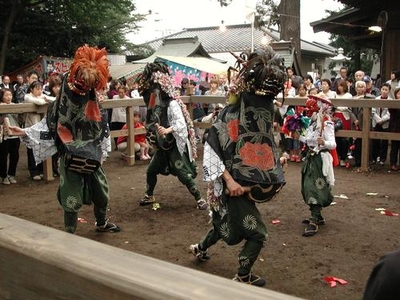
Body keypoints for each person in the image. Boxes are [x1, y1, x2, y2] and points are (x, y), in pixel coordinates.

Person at [189, 47, 287, 287]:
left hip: (247, 184)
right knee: (258, 233)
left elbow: (263, 144)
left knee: (226, 222)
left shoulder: (263, 112)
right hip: (232, 184)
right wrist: (230, 181)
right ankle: (243, 275)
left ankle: (200, 248)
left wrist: (274, 164)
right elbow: (211, 149)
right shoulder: (231, 114)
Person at [10, 45, 121, 234]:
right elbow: (48, 126)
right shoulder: (59, 104)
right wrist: (23, 132)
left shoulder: (94, 102)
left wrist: (102, 151)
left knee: (101, 194)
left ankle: (101, 223)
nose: (83, 88)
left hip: (93, 156)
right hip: (70, 157)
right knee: (71, 198)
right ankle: (70, 233)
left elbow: (102, 128)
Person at [137, 61, 207, 210]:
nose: (154, 91)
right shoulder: (154, 104)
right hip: (162, 146)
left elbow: (181, 124)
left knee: (184, 175)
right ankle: (149, 194)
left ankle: (199, 198)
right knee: (151, 170)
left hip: (173, 144)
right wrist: (152, 130)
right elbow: (150, 121)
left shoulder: (172, 104)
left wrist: (167, 130)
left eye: (156, 88)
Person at [299, 94, 336, 237]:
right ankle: (318, 216)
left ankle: (314, 220)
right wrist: (298, 135)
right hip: (310, 158)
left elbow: (333, 144)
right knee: (307, 187)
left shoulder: (327, 123)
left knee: (315, 187)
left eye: (311, 107)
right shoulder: (312, 123)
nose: (308, 110)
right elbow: (308, 140)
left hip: (320, 159)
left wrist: (324, 143)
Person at [24, 81, 55, 180]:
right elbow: (39, 102)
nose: (39, 91)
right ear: (32, 89)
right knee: (31, 149)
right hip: (31, 125)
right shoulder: (27, 96)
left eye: (41, 89)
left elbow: (54, 99)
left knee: (42, 146)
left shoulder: (42, 96)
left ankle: (42, 170)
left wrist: (45, 97)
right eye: (37, 89)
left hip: (41, 127)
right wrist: (45, 99)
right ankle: (34, 172)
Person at [0, 88, 22, 184]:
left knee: (15, 155)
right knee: (3, 156)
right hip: (4, 135)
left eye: (10, 95)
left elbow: (21, 119)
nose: (9, 97)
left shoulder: (15, 106)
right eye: (6, 95)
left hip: (15, 135)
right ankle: (3, 176)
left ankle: (11, 174)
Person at [334, 78, 355, 167]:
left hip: (345, 117)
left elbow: (348, 107)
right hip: (335, 116)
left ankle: (343, 158)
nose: (340, 88)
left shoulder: (349, 95)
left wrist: (339, 107)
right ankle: (337, 157)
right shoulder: (335, 95)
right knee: (335, 138)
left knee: (344, 139)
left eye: (342, 86)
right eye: (338, 86)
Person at [371, 83, 391, 165]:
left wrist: (383, 119)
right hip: (376, 122)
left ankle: (383, 158)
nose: (384, 91)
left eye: (386, 90)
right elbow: (373, 111)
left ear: (389, 91)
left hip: (385, 123)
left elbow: (390, 113)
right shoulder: (376, 99)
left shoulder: (391, 101)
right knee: (375, 140)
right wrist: (378, 119)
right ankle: (374, 157)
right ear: (380, 90)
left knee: (384, 141)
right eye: (383, 89)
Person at [388, 87, 400, 171]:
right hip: (395, 128)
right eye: (399, 93)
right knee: (394, 147)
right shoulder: (392, 103)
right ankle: (393, 163)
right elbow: (391, 111)